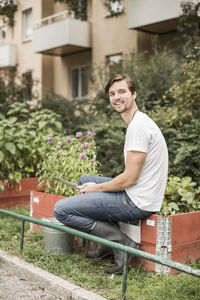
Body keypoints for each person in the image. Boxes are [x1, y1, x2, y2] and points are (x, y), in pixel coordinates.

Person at [54, 74, 168, 274]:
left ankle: (123, 245)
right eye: (112, 94)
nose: (117, 97)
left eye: (122, 92)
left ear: (134, 94)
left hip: (137, 201)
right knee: (84, 181)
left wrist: (97, 188)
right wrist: (93, 186)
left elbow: (130, 178)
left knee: (61, 210)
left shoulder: (139, 128)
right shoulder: (138, 122)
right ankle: (107, 244)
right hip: (138, 192)